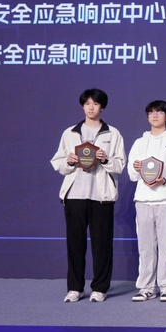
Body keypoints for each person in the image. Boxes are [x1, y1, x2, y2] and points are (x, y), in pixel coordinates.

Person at [51, 88, 126, 302]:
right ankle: (75, 288)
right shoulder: (70, 133)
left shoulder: (113, 133)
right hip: (75, 195)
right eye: (87, 104)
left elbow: (120, 165)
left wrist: (105, 159)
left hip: (101, 196)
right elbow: (58, 162)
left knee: (102, 244)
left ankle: (100, 288)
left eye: (95, 104)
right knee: (75, 244)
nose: (91, 107)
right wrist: (69, 161)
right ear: (83, 106)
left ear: (102, 107)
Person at [127, 100, 166, 303]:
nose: (155, 116)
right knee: (145, 247)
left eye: (159, 112)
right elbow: (131, 174)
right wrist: (137, 168)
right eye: (151, 112)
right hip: (143, 200)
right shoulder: (139, 142)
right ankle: (146, 287)